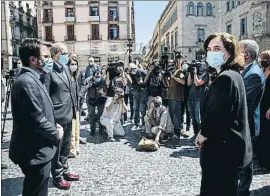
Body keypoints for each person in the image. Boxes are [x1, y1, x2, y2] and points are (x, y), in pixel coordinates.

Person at [197, 33, 252, 196]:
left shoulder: (226, 78)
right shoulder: (233, 74)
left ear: (229, 52)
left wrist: (203, 134)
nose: (211, 53)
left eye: (217, 48)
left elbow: (218, 114)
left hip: (222, 152)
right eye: (209, 49)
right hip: (230, 150)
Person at [9, 38, 63, 196]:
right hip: (34, 152)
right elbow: (36, 119)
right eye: (45, 57)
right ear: (33, 60)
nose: (49, 60)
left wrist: (55, 125)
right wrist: (55, 133)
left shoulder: (34, 78)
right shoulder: (27, 82)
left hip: (38, 149)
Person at [44, 42, 80, 190]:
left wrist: (75, 108)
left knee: (66, 146)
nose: (67, 55)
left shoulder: (65, 68)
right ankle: (57, 176)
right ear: (55, 55)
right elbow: (45, 94)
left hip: (69, 113)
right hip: (57, 115)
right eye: (64, 53)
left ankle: (65, 170)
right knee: (57, 149)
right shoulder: (48, 70)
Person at [238, 40, 266, 196]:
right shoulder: (248, 70)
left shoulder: (253, 74)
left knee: (245, 160)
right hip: (245, 123)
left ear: (246, 55)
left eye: (237, 51)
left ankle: (242, 191)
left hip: (246, 123)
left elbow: (244, 105)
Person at [80, 69, 107, 136]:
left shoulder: (103, 80)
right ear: (93, 75)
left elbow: (107, 92)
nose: (98, 78)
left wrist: (102, 93)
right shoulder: (88, 80)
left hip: (100, 99)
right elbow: (83, 90)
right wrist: (88, 86)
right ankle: (92, 130)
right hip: (91, 99)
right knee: (91, 114)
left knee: (101, 114)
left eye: (99, 76)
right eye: (96, 76)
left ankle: (101, 129)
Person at [187, 61, 209, 141]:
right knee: (193, 118)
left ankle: (201, 135)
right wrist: (190, 72)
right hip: (191, 98)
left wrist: (195, 74)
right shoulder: (194, 74)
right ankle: (195, 133)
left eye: (202, 65)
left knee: (198, 118)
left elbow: (197, 83)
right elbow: (189, 83)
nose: (201, 67)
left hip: (199, 99)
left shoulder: (205, 75)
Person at [257, 50, 270, 170]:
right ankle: (262, 160)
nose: (262, 61)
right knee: (261, 132)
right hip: (261, 105)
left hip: (268, 107)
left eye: (264, 58)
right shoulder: (262, 71)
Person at [167, 59, 186, 138]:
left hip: (177, 97)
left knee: (176, 115)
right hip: (170, 96)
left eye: (171, 63)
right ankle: (173, 131)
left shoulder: (179, 72)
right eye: (169, 63)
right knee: (171, 114)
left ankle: (177, 131)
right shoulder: (170, 72)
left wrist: (173, 77)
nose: (169, 64)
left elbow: (183, 82)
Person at [67, 58, 80, 158]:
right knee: (71, 130)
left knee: (76, 129)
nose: (74, 66)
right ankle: (71, 150)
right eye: (72, 64)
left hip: (76, 106)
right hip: (70, 107)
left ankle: (76, 147)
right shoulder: (67, 77)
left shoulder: (75, 77)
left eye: (75, 64)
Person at [128, 63, 148, 129]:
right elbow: (130, 83)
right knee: (135, 108)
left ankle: (143, 124)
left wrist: (144, 83)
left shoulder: (142, 72)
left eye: (134, 69)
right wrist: (131, 87)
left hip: (142, 92)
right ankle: (136, 123)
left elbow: (148, 77)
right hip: (135, 92)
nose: (133, 70)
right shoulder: (130, 74)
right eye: (131, 69)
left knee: (142, 109)